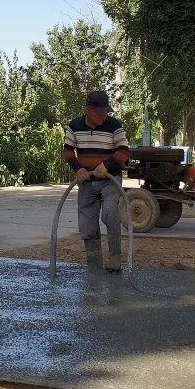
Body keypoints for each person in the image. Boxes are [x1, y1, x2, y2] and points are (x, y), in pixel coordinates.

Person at [62, 90, 129, 272]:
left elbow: (124, 152)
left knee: (110, 214)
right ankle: (94, 263)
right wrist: (79, 168)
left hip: (110, 180)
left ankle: (115, 259)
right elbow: (67, 151)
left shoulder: (114, 125)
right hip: (87, 182)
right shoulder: (74, 126)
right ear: (88, 110)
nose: (102, 116)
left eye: (105, 112)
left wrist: (106, 165)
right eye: (99, 113)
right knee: (87, 223)